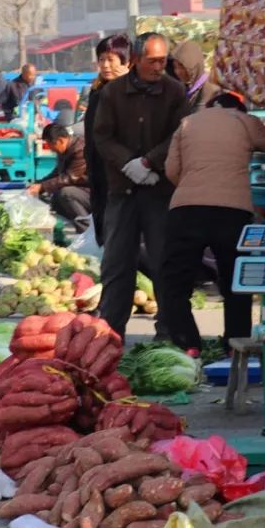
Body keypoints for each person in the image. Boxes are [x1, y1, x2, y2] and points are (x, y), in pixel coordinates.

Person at [160, 92, 265, 354]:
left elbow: (171, 170)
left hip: (186, 211)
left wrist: (196, 187)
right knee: (237, 280)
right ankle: (235, 345)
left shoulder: (188, 123)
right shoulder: (245, 122)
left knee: (175, 283)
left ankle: (187, 345)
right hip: (232, 213)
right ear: (239, 109)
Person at [92, 32, 188, 340]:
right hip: (122, 191)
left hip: (160, 190)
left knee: (164, 263)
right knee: (117, 265)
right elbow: (102, 137)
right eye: (152, 61)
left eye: (163, 60)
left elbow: (179, 133)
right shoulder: (113, 93)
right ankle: (110, 334)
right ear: (135, 59)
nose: (159, 67)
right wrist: (128, 164)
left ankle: (169, 334)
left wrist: (149, 162)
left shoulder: (175, 92)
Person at [84, 34, 131, 246]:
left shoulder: (134, 91)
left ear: (126, 62)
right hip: (99, 170)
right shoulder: (96, 92)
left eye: (111, 60)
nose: (105, 65)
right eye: (101, 59)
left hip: (125, 172)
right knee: (105, 226)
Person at [29, 123, 90, 228]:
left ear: (60, 141)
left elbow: (70, 178)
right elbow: (57, 172)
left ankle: (86, 229)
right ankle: (66, 228)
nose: (50, 149)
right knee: (56, 199)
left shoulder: (80, 150)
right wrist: (39, 184)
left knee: (66, 193)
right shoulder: (64, 151)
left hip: (93, 193)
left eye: (50, 145)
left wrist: (43, 186)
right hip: (81, 190)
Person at [170, 40, 220, 112]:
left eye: (182, 66)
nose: (177, 71)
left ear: (193, 63)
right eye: (175, 67)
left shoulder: (211, 91)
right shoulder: (189, 87)